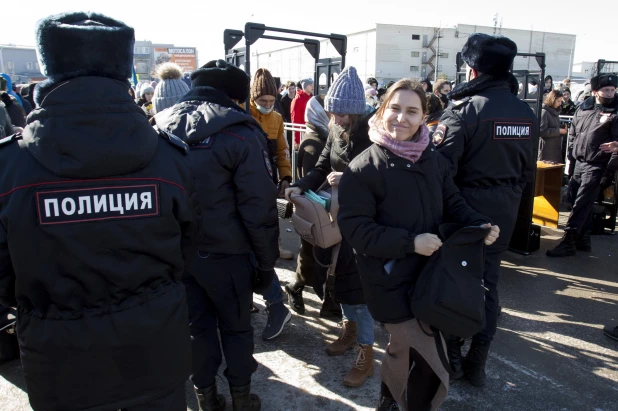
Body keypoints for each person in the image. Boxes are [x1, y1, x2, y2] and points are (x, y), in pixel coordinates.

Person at [0, 12, 199, 411]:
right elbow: (190, 249)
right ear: (123, 72)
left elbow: (5, 276)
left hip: (62, 365)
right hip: (155, 351)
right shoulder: (169, 158)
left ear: (49, 71)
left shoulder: (10, 168)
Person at [338, 78, 499, 411]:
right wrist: (410, 243)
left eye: (412, 111)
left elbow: (452, 199)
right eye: (394, 109)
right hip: (390, 282)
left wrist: (478, 224)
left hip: (433, 277)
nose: (402, 118)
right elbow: (358, 231)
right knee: (431, 361)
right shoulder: (363, 168)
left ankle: (390, 403)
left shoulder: (432, 158)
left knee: (406, 354)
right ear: (381, 111)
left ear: (425, 116)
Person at [154, 59, 278, 411]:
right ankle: (241, 399)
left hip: (177, 254)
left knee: (197, 328)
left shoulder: (159, 125)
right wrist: (266, 266)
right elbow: (260, 209)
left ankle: (206, 399)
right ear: (237, 97)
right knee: (237, 329)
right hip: (228, 254)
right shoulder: (241, 131)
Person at [437, 33, 537, 387]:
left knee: (454, 284)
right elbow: (528, 172)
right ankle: (478, 362)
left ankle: (452, 355)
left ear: (473, 69)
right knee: (488, 285)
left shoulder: (464, 110)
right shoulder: (525, 111)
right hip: (505, 211)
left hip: (463, 212)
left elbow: (440, 172)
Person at [286, 66, 376, 388]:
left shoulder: (373, 132)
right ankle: (348, 331)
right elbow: (324, 163)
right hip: (338, 220)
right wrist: (299, 185)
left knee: (361, 291)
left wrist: (350, 178)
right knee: (340, 282)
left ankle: (366, 352)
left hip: (366, 222)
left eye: (341, 115)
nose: (335, 120)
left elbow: (382, 178)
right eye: (333, 113)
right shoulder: (336, 130)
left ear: (355, 111)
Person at [547, 74, 618, 257]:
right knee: (573, 200)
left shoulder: (615, 112)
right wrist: (571, 155)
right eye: (606, 90)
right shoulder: (584, 108)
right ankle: (583, 239)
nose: (610, 93)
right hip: (579, 162)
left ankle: (569, 241)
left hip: (597, 165)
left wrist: (608, 172)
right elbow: (574, 133)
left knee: (582, 203)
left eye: (612, 90)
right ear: (595, 92)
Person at [285, 95, 342, 319]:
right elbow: (314, 176)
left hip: (324, 210)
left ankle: (327, 299)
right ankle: (297, 289)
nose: (332, 117)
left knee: (322, 258)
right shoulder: (314, 142)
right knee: (313, 257)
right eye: (329, 112)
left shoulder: (326, 136)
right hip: (317, 211)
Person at [249, 69, 295, 259]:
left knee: (272, 213)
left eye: (271, 101)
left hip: (270, 175)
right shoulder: (244, 115)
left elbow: (282, 150)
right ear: (253, 98)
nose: (268, 105)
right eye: (263, 101)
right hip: (249, 174)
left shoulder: (277, 118)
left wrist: (285, 176)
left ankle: (275, 247)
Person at [539, 90, 568, 163]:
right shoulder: (544, 112)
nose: (560, 103)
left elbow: (552, 125)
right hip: (546, 150)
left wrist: (561, 127)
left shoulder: (554, 111)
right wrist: (559, 131)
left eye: (561, 101)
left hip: (554, 148)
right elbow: (542, 131)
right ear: (552, 99)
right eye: (558, 101)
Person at [291, 78, 314, 146]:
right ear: (304, 86)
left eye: (312, 84)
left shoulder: (312, 98)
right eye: (310, 85)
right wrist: (297, 140)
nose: (312, 86)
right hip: (302, 133)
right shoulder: (297, 100)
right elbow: (295, 120)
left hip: (311, 132)